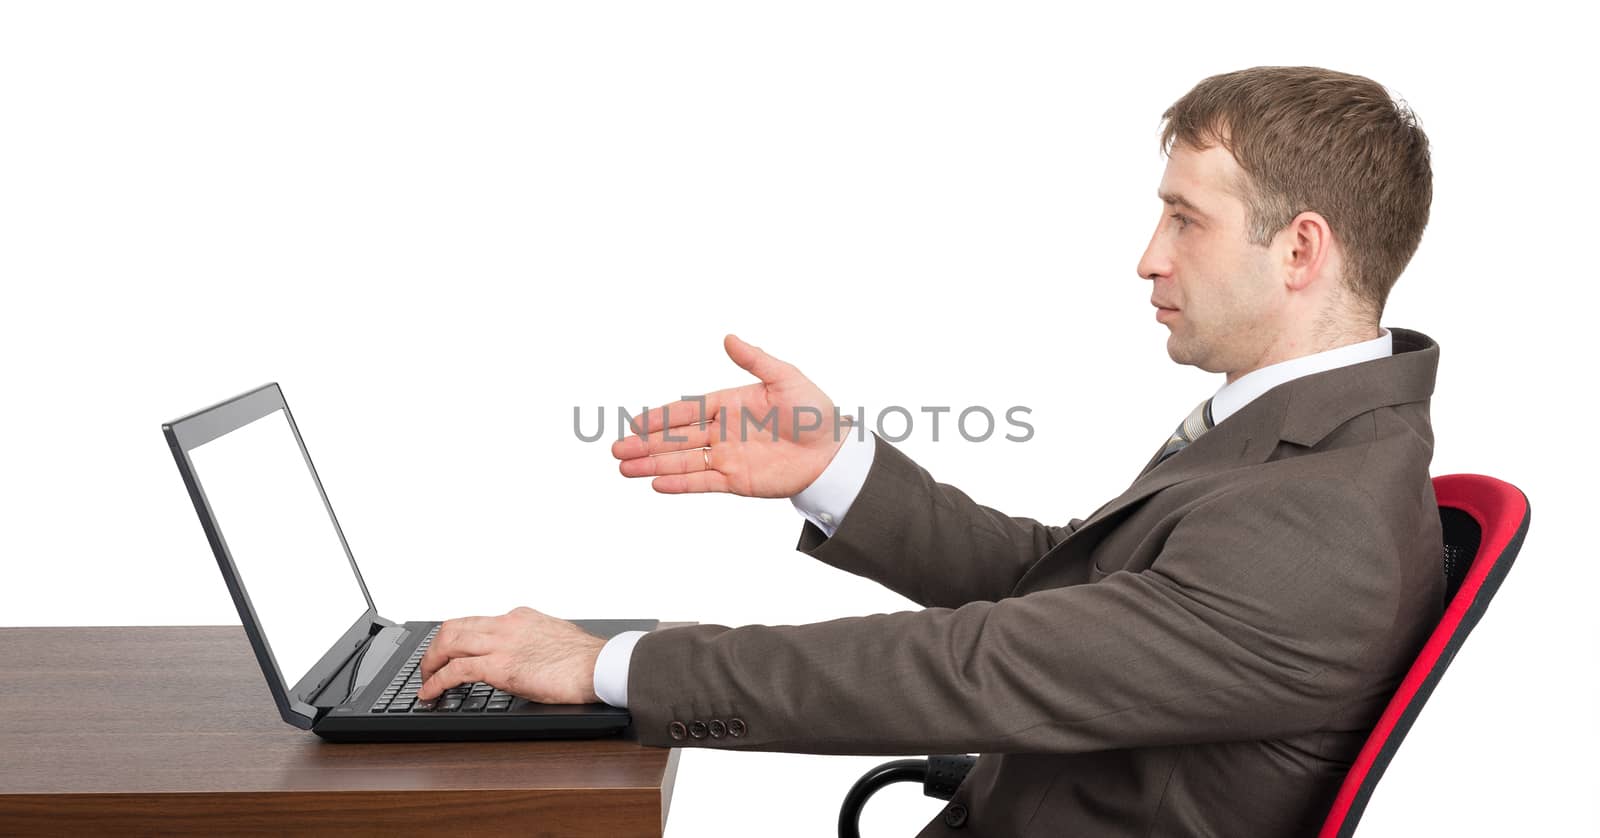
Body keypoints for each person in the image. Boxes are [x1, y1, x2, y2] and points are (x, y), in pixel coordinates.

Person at [417, 65, 1443, 835]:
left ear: (1299, 249)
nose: (1148, 257)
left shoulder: (1323, 523)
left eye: (1185, 219)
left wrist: (612, 665)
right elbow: (1066, 591)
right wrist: (834, 468)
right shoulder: (1306, 441)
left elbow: (974, 667)